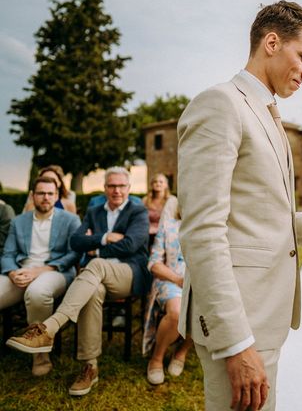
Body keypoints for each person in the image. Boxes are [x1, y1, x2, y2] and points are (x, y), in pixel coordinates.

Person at [177, 0, 302, 411]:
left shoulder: (266, 113)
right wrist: (236, 341)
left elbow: (256, 207)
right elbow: (201, 230)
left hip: (266, 313)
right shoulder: (220, 104)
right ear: (272, 42)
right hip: (240, 319)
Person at [6, 167, 151, 396]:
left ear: (129, 188)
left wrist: (96, 249)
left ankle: (49, 328)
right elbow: (75, 242)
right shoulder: (95, 211)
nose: (117, 191)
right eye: (112, 186)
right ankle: (90, 366)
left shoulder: (138, 211)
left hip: (129, 272)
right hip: (97, 277)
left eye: (122, 186)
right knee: (91, 290)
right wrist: (103, 237)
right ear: (104, 188)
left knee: (94, 265)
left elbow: (131, 246)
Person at [1, 177, 81, 376]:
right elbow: (8, 254)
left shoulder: (70, 219)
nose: (46, 197)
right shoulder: (19, 221)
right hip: (21, 271)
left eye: (50, 193)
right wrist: (12, 272)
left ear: (56, 196)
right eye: (41, 193)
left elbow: (73, 254)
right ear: (33, 195)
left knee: (37, 292)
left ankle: (40, 356)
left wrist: (39, 272)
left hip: (55, 272)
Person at [143, 212, 192, 385]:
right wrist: (178, 280)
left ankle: (181, 351)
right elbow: (154, 264)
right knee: (177, 312)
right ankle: (157, 357)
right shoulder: (168, 225)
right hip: (170, 280)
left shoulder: (209, 225)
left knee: (207, 309)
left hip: (199, 283)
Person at [142, 173, 178, 244]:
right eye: (155, 182)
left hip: (166, 233)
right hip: (147, 232)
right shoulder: (145, 200)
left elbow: (175, 220)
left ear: (166, 185)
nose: (158, 184)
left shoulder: (172, 200)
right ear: (152, 184)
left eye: (161, 182)